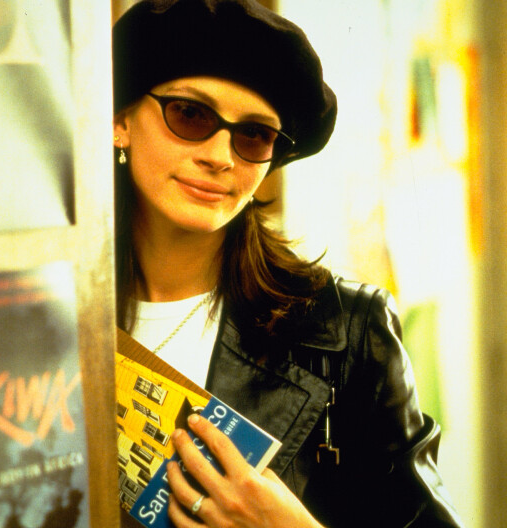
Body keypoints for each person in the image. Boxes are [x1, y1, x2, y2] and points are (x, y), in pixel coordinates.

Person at [111, 0, 463, 526]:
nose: (220, 156)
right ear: (120, 121)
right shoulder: (42, 310)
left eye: (254, 135)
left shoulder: (348, 331)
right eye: (190, 114)